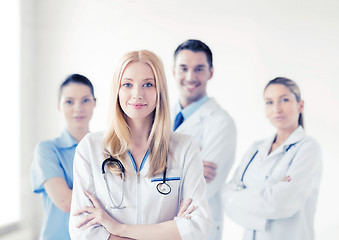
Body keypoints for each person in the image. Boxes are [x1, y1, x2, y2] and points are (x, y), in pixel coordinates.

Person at [69, 50, 211, 240]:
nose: (137, 94)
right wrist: (173, 230)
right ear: (117, 90)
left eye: (148, 84)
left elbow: (198, 229)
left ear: (159, 91)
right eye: (127, 84)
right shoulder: (90, 148)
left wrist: (118, 228)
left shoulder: (184, 148)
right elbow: (83, 232)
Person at [223, 77, 322, 240]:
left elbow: (279, 203)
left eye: (284, 100)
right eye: (269, 102)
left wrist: (240, 196)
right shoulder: (255, 148)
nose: (277, 109)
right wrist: (262, 203)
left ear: (300, 105)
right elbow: (225, 196)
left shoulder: (308, 148)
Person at [172, 39, 236, 240]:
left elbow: (200, 190)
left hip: (196, 230)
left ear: (211, 72)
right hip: (159, 227)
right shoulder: (157, 116)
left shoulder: (221, 123)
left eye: (199, 69)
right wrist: (187, 167)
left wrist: (159, 167)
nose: (190, 77)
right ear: (174, 71)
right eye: (184, 68)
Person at [31, 74, 96, 240]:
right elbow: (65, 202)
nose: (78, 108)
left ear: (94, 103)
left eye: (85, 100)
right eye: (69, 101)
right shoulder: (47, 150)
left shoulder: (106, 150)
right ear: (59, 106)